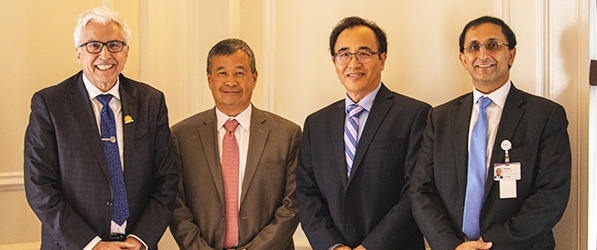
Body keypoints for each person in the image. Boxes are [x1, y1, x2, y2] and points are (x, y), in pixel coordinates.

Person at [24, 7, 179, 250]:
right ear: (78, 53)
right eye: (93, 45)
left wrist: (139, 239)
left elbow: (167, 179)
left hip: (135, 246)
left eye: (114, 45)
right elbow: (39, 186)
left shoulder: (151, 101)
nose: (105, 55)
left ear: (126, 52)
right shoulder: (50, 104)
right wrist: (90, 244)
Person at [410, 16, 571, 250]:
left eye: (493, 45)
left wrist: (491, 245)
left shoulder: (546, 116)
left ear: (511, 55)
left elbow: (551, 196)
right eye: (474, 47)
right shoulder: (440, 117)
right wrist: (450, 245)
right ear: (463, 59)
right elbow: (421, 190)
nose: (483, 54)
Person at [295, 16, 430, 250]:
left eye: (364, 53)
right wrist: (332, 245)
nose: (353, 63)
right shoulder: (316, 124)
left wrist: (370, 247)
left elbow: (415, 191)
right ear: (334, 60)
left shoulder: (415, 115)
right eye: (344, 54)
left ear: (382, 59)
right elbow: (307, 192)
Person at [169, 38, 301, 250]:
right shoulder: (181, 136)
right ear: (209, 79)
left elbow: (292, 204)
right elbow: (176, 206)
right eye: (222, 73)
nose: (231, 82)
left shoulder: (287, 134)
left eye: (240, 72)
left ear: (254, 78)